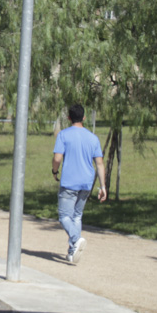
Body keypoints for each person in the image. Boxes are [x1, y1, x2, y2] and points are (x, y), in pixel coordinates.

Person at [51, 104, 107, 264]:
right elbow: (100, 163)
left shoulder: (63, 135)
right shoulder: (93, 138)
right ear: (84, 118)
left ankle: (76, 240)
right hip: (86, 183)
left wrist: (55, 171)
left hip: (69, 181)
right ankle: (72, 252)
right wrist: (103, 186)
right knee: (76, 216)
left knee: (63, 216)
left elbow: (57, 158)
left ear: (68, 118)